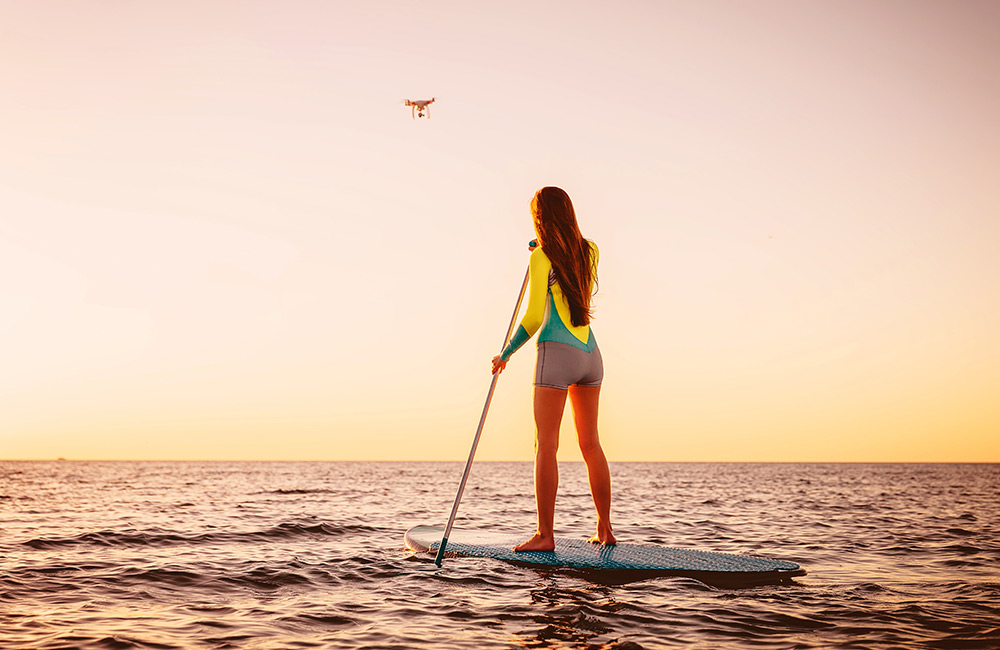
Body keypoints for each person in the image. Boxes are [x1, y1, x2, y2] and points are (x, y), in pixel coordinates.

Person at [491, 186, 616, 552]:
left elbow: (532, 317)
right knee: (591, 444)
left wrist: (506, 353)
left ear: (540, 218)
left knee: (545, 445)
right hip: (590, 352)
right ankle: (605, 529)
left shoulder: (542, 257)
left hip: (557, 353)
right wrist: (540, 253)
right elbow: (569, 278)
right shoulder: (589, 250)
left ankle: (545, 535)